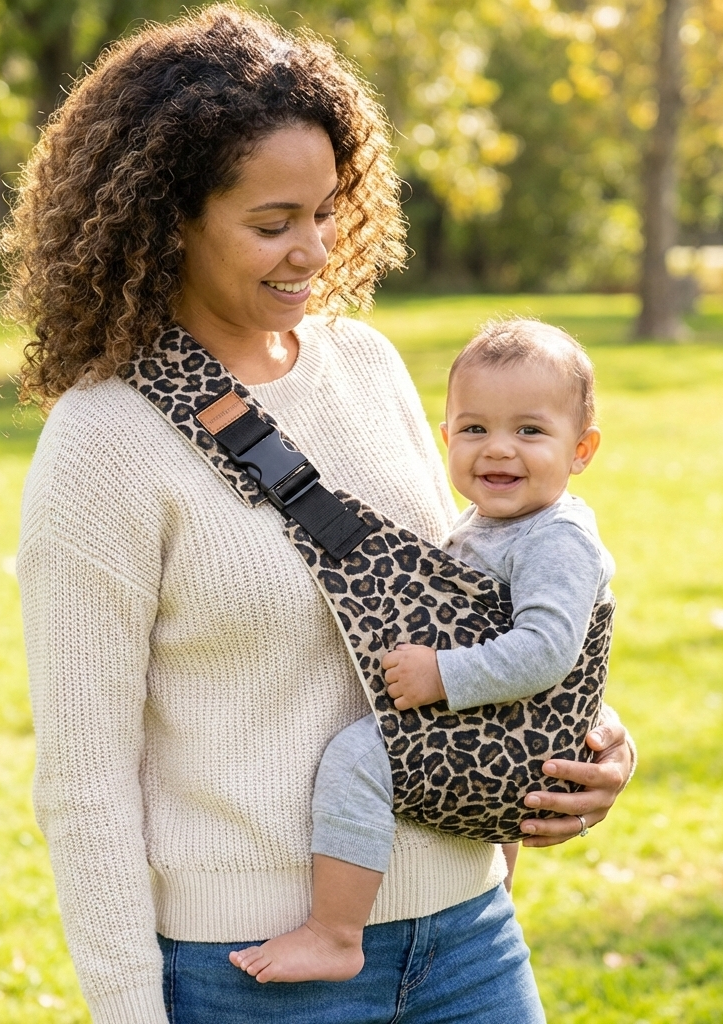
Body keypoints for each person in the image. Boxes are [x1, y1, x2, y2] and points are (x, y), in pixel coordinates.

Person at [1, 7, 636, 1023]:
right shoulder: (102, 442)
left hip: (467, 934)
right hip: (250, 970)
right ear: (168, 218)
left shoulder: (369, 368)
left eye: (328, 211)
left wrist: (589, 741)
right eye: (271, 223)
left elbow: (457, 608)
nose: (312, 251)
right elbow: (85, 785)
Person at [230, 318, 616, 985]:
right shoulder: (495, 523)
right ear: (445, 437)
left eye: (530, 430)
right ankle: (497, 899)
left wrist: (443, 673)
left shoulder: (555, 540)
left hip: (505, 734)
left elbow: (552, 649)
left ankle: (334, 932)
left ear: (581, 449)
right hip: (497, 729)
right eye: (474, 429)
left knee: (359, 756)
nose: (498, 450)